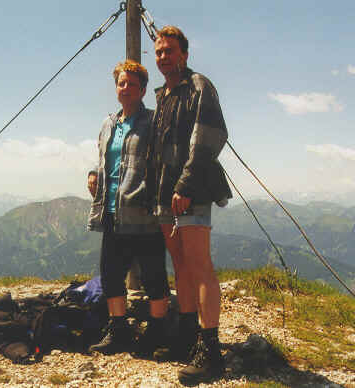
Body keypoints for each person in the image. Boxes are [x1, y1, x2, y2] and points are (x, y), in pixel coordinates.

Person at [151, 26, 230, 385]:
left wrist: (185, 183)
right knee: (180, 263)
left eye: (169, 51)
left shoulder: (198, 86)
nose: (163, 57)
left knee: (199, 265)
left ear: (184, 54)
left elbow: (209, 135)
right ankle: (186, 337)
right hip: (166, 193)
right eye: (159, 52)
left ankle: (210, 351)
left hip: (191, 189)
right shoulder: (163, 95)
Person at [87, 59, 170, 356]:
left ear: (143, 89)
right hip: (111, 211)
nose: (125, 88)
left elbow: (163, 161)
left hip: (144, 212)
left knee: (153, 275)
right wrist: (93, 174)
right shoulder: (109, 123)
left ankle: (158, 331)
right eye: (121, 83)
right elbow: (105, 159)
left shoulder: (153, 122)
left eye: (132, 84)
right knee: (111, 274)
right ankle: (119, 330)